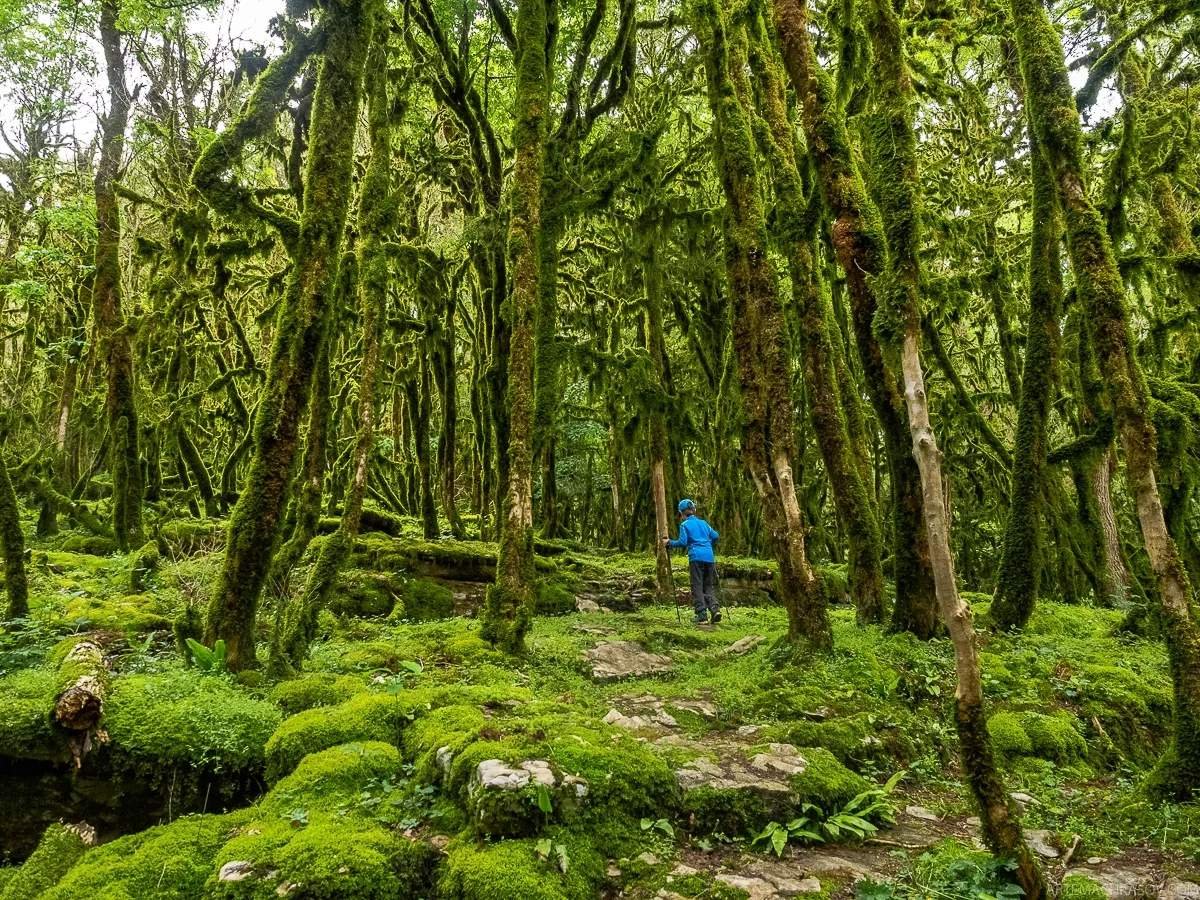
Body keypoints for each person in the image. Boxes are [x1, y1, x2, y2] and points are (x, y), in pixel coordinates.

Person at [664, 499, 721, 625]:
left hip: (696, 558)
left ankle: (702, 615)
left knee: (697, 586)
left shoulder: (685, 525)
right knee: (708, 585)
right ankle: (715, 609)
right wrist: (707, 545)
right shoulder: (704, 523)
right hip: (709, 557)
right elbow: (715, 536)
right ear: (694, 510)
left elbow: (683, 542)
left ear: (681, 513)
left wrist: (669, 543)